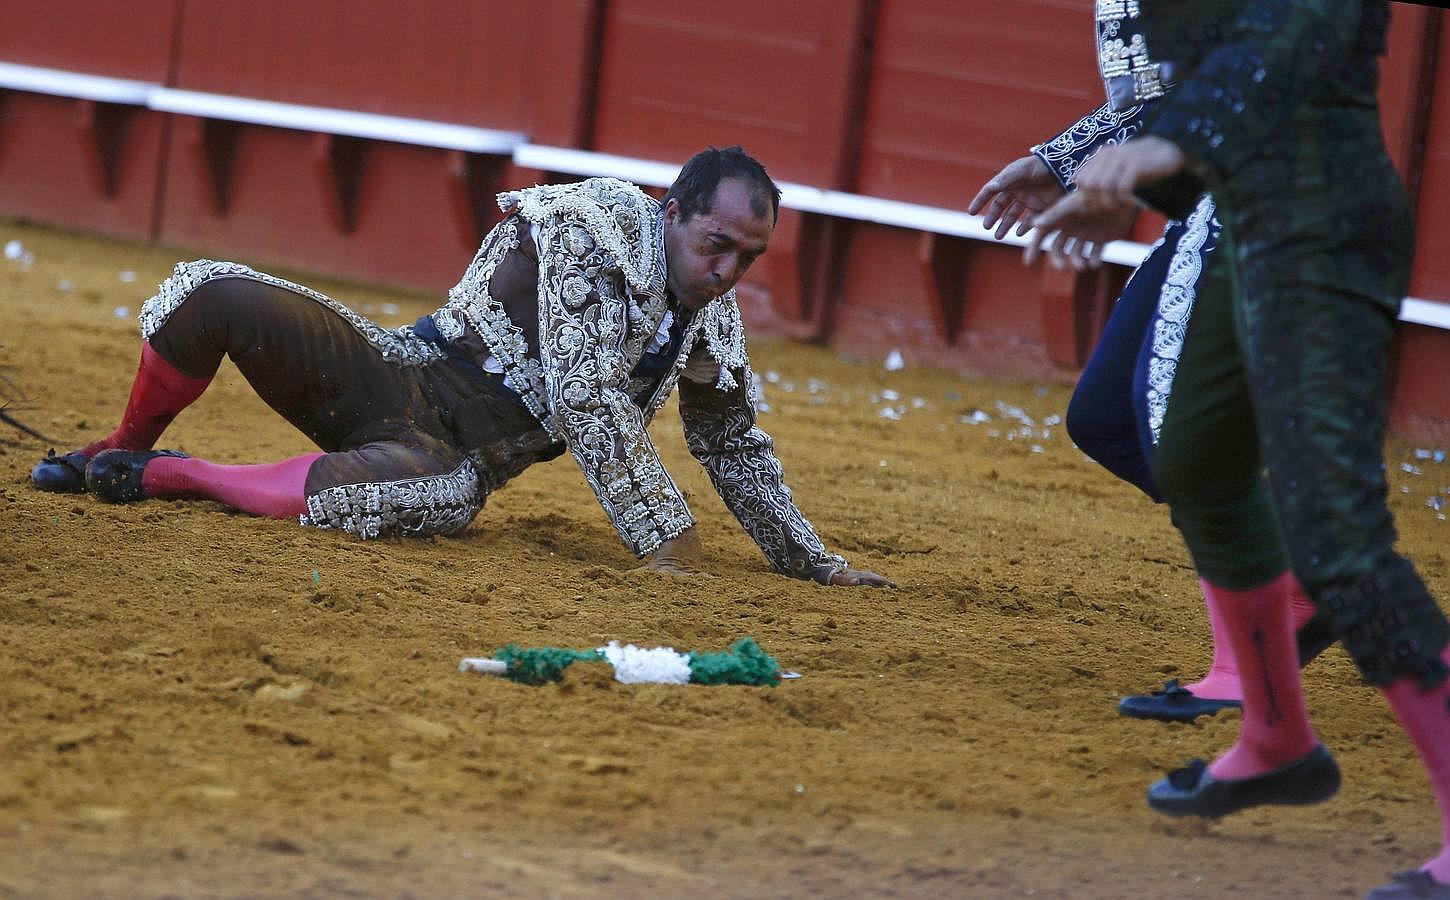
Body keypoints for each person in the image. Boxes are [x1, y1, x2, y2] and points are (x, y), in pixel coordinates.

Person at [30, 146, 892, 589]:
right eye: (719, 246)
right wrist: (665, 535)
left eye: (749, 258)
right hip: (394, 375)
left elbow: (735, 447)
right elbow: (587, 393)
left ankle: (172, 476)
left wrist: (811, 561)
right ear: (672, 214)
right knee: (210, 293)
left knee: (413, 499)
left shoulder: (713, 323)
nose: (729, 273)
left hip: (451, 461)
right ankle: (117, 443)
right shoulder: (588, 225)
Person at [1031, 3, 1450, 897]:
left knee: (1335, 533)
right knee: (1192, 459)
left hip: (1322, 218)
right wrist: (1135, 181)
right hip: (1239, 213)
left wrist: (1168, 148)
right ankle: (1276, 737)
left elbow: (1305, 32)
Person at [968, 2, 1330, 724]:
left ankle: (1251, 653)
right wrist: (1063, 161)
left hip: (1256, 192)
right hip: (1216, 199)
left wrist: (1075, 164)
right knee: (1107, 418)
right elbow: (1154, 99)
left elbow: (1202, 92)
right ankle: (1298, 582)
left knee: (1176, 434)